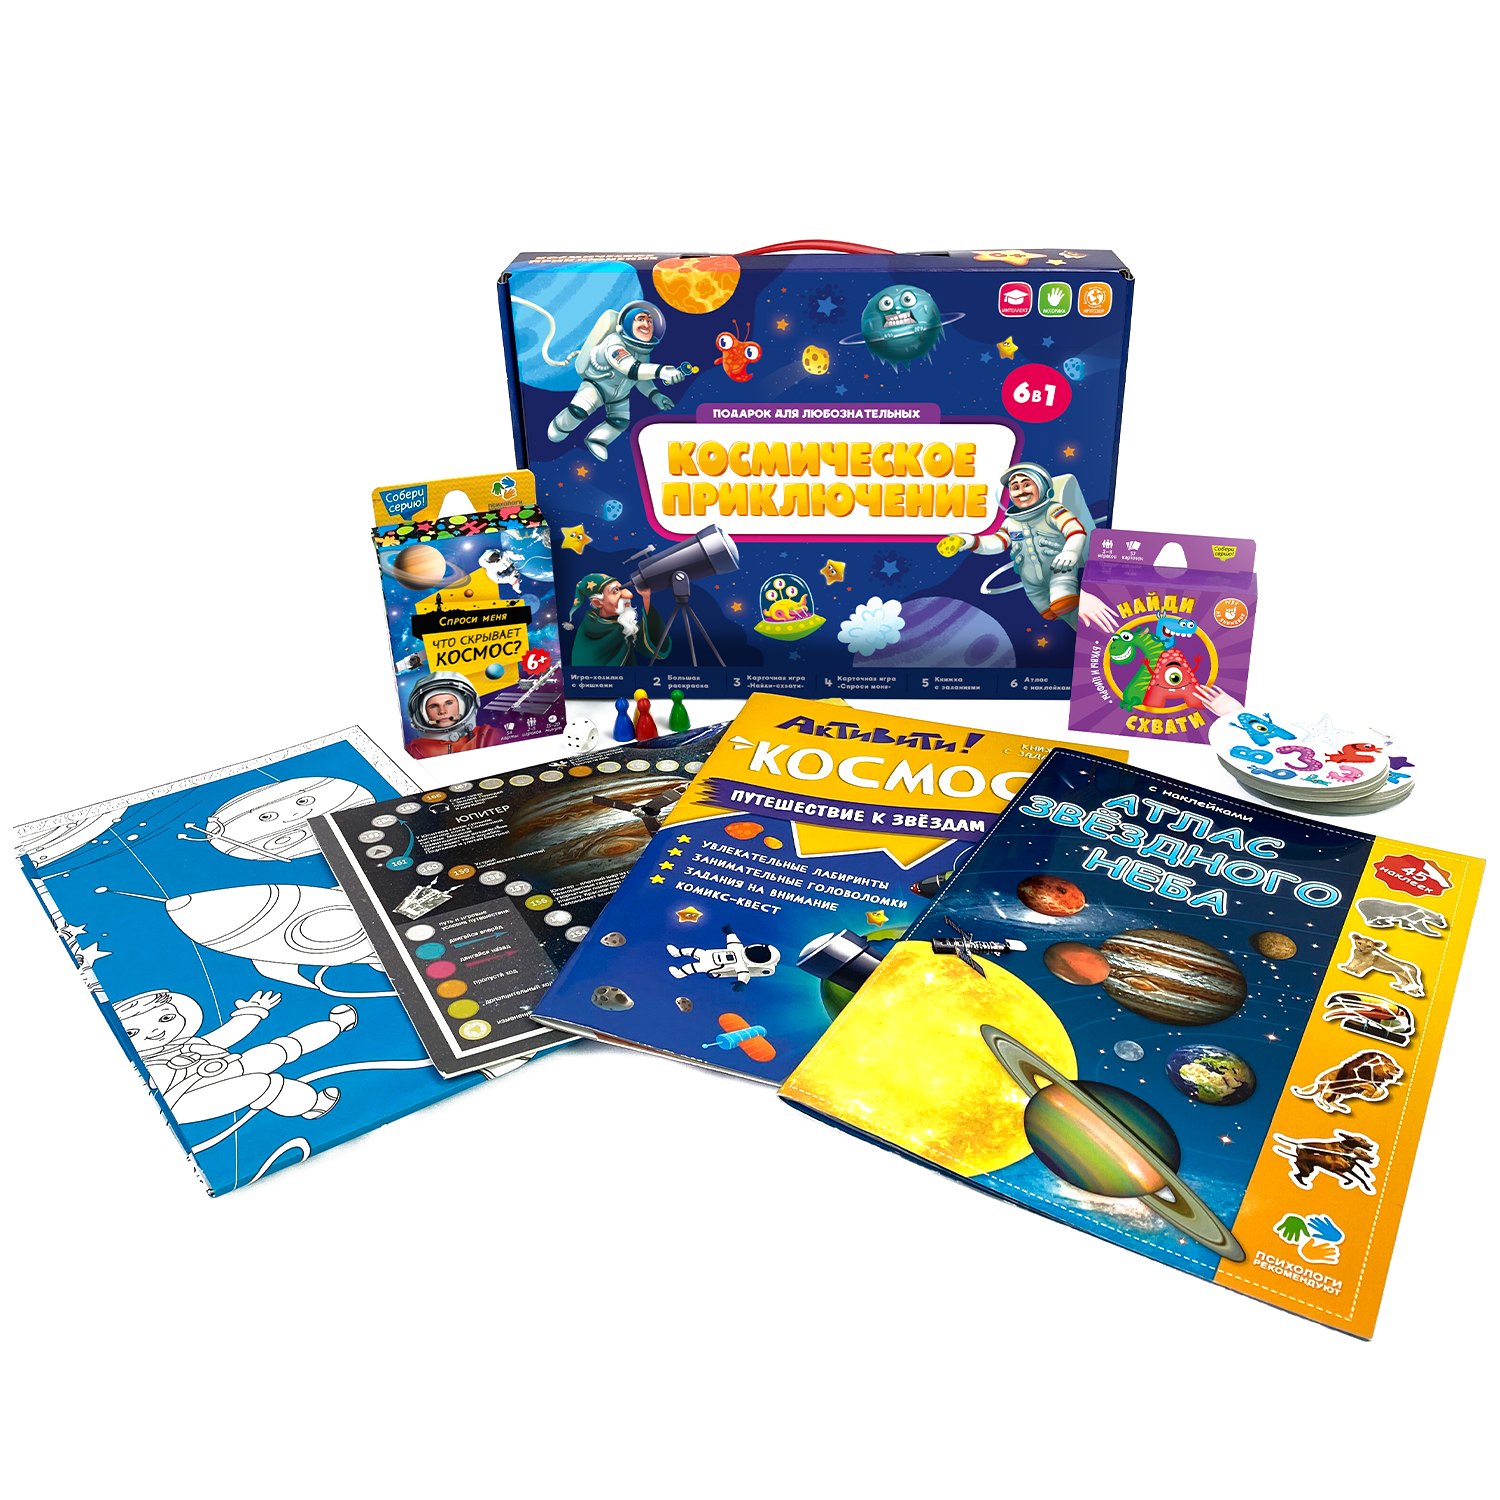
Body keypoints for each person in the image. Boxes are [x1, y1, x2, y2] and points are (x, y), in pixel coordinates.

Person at [113, 988, 357, 1124]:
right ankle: (311, 1104)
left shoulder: (191, 1043)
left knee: (277, 1050)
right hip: (187, 1101)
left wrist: (252, 1012)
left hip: (226, 1069)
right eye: (133, 1032)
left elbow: (229, 1034)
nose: (155, 1032)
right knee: (262, 1083)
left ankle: (336, 1025)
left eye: (166, 1018)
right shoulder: (144, 1065)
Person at [939, 463, 1089, 626]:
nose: (1021, 491)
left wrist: (1071, 552)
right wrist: (972, 541)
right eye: (1015, 487)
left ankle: (1092, 634)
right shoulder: (1011, 523)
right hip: (1031, 582)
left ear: (1042, 487)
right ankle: (1085, 633)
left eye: (1026, 484)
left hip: (1059, 571)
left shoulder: (1053, 511)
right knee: (1050, 613)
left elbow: (1075, 531)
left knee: (1064, 604)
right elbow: (997, 542)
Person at [547, 301, 689, 461]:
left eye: (649, 321)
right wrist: (661, 371)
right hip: (596, 386)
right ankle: (560, 426)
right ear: (627, 324)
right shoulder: (614, 343)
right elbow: (628, 367)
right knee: (578, 411)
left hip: (620, 394)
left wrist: (655, 395)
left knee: (620, 422)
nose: (647, 324)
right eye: (641, 319)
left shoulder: (643, 352)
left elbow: (640, 377)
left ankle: (597, 440)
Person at [568, 572, 672, 667]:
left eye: (622, 588)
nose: (629, 595)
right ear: (598, 603)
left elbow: (654, 648)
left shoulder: (626, 623)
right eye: (615, 591)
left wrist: (646, 598)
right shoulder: (587, 629)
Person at [405, 673, 500, 757]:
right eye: (433, 706)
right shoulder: (410, 752)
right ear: (423, 713)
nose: (442, 711)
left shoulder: (490, 737)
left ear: (464, 705)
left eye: (449, 703)